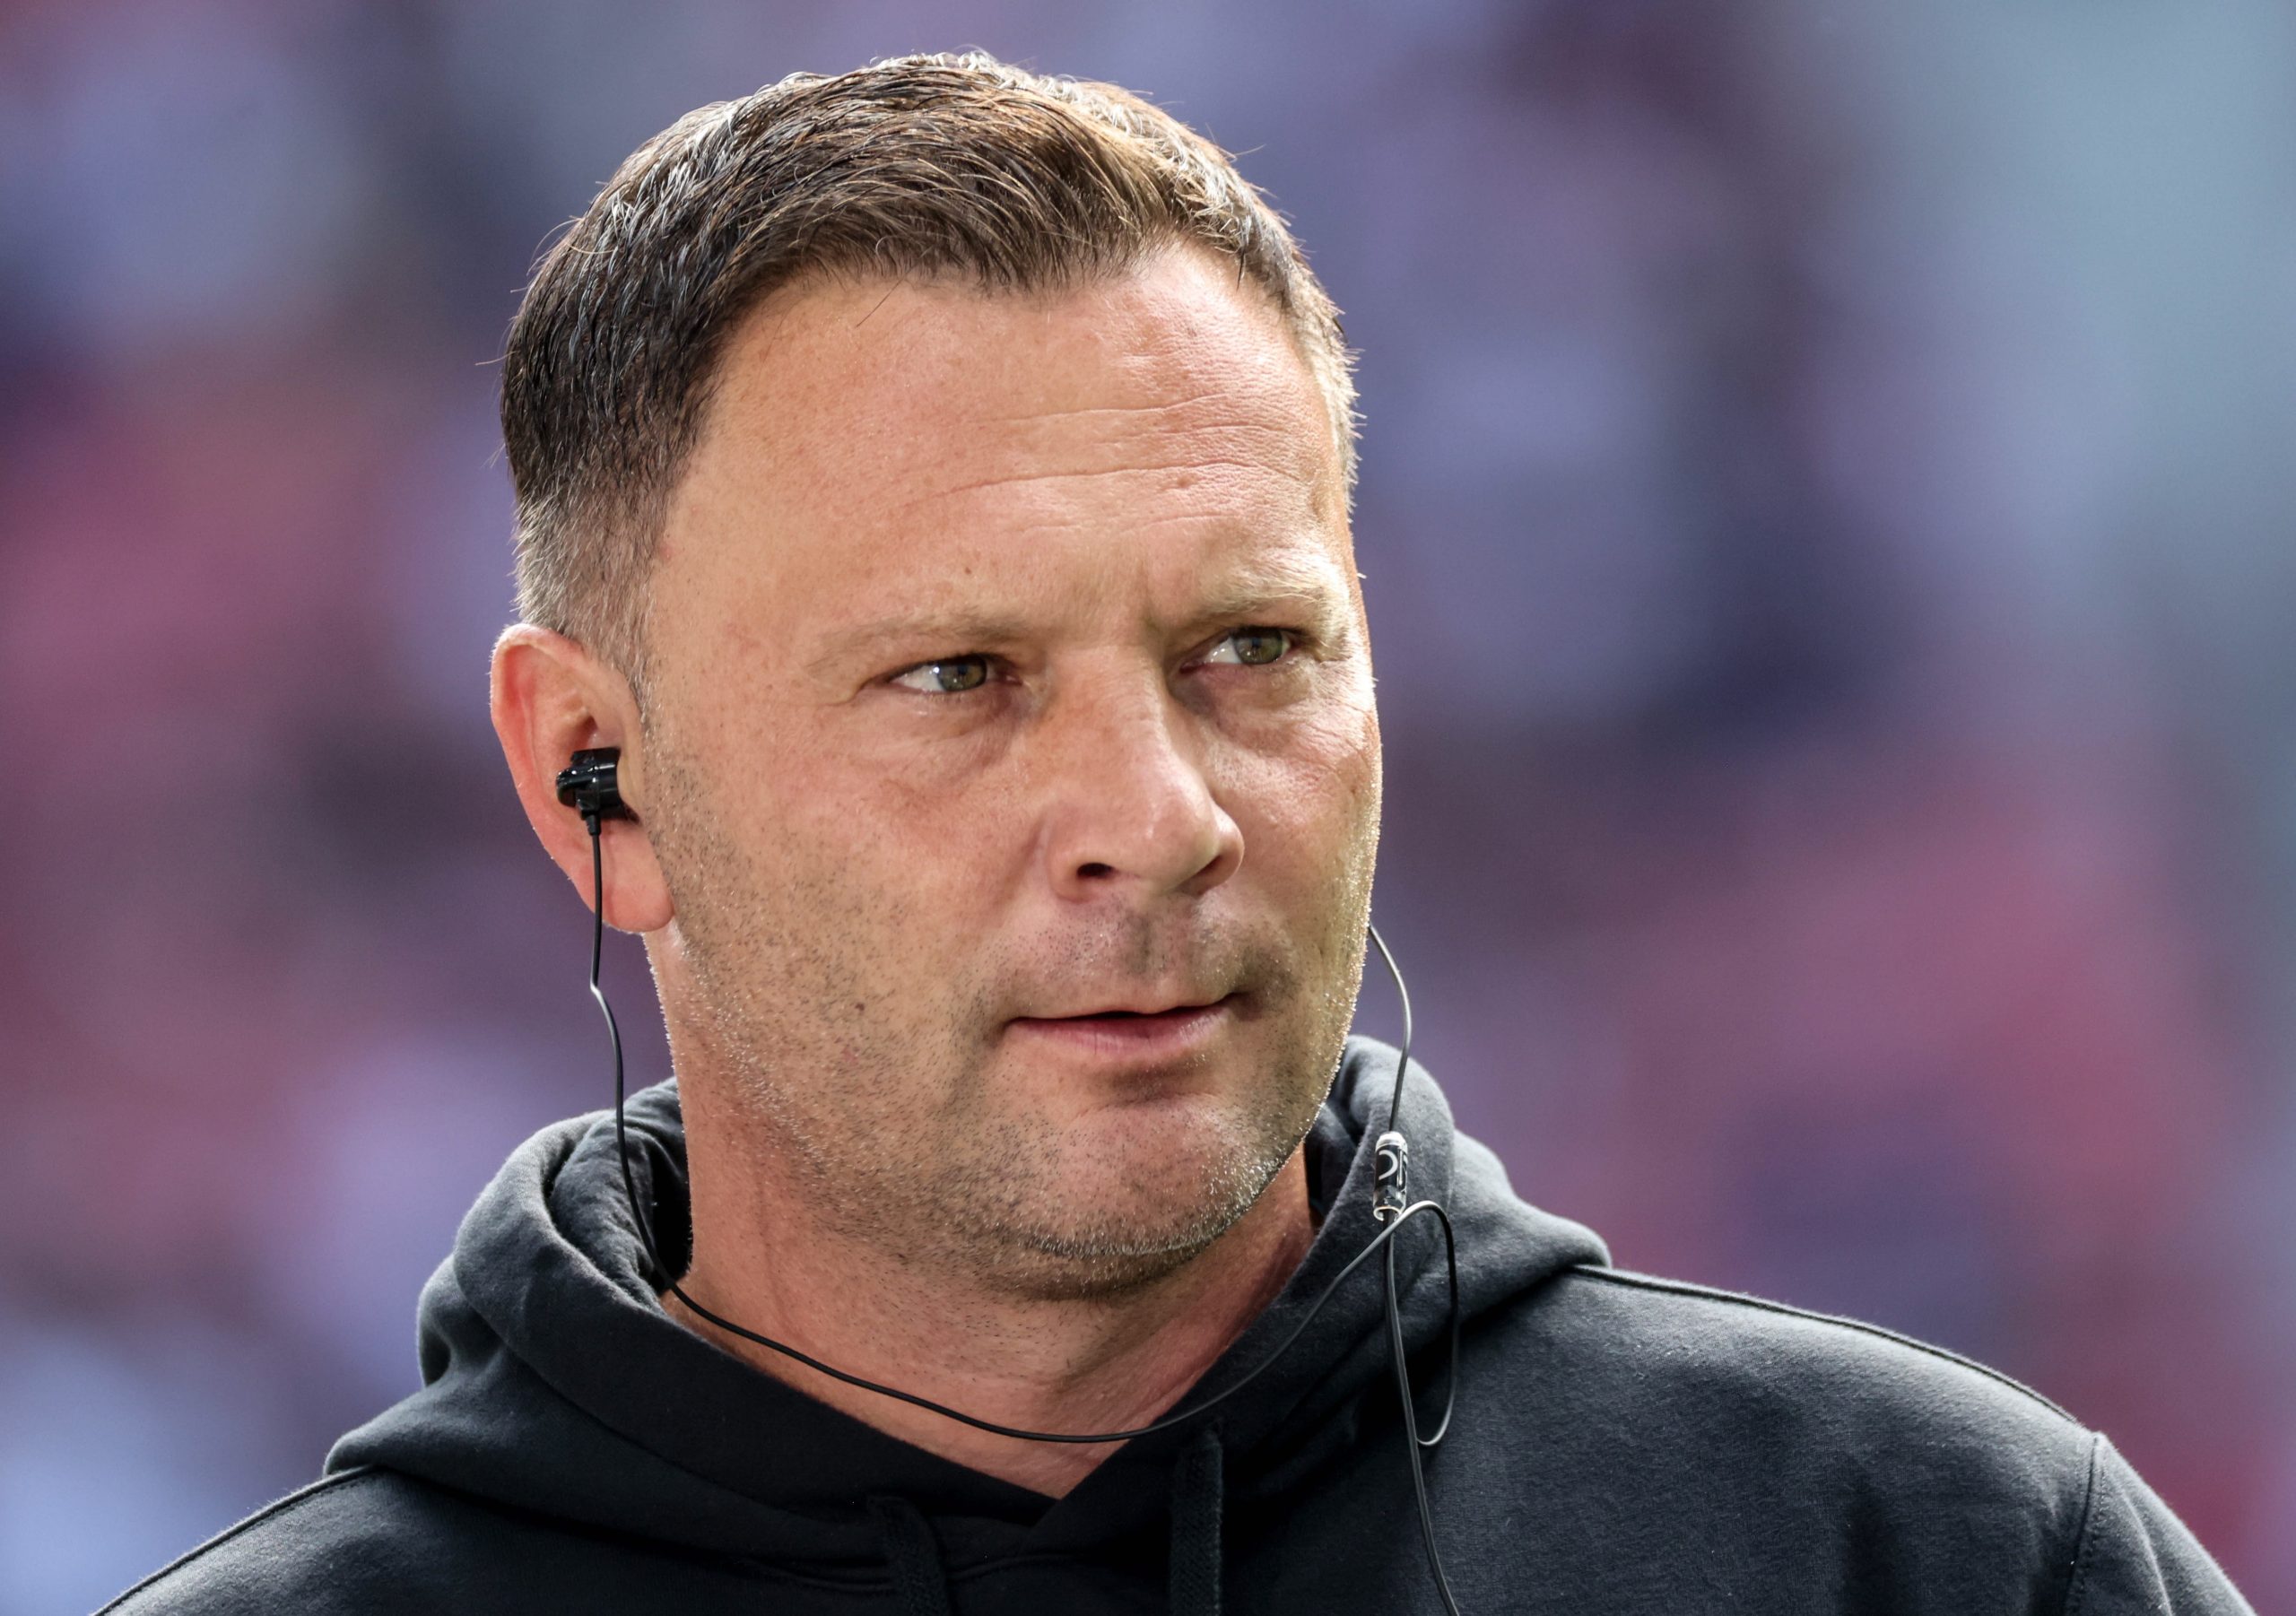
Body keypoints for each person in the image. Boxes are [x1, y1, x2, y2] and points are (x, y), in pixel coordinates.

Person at [103, 51, 2252, 1616]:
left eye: (1247, 648)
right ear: (599, 775)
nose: (1155, 815)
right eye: (959, 675)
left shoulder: (1927, 1558)